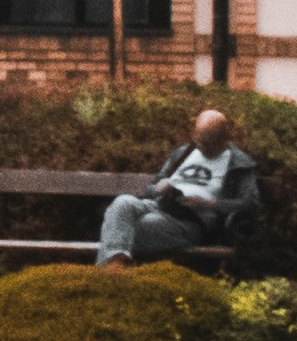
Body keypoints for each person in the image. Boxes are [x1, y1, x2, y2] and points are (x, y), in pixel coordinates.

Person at [97, 107, 263, 266]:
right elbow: (151, 190)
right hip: (161, 205)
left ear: (224, 137)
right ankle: (115, 271)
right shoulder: (184, 152)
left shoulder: (238, 162)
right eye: (200, 142)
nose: (203, 148)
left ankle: (110, 277)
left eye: (209, 143)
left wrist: (206, 205)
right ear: (194, 134)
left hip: (190, 222)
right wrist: (158, 189)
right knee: (122, 203)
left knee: (131, 226)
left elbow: (251, 203)